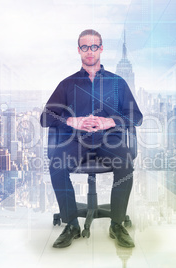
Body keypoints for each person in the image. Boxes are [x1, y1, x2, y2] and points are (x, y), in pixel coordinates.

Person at [40, 29, 142, 248]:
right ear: (79, 50)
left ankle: (117, 225)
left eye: (94, 46)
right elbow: (45, 117)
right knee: (57, 165)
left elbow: (137, 117)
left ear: (101, 49)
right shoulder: (67, 84)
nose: (90, 51)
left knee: (125, 162)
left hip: (110, 141)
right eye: (85, 47)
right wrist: (71, 121)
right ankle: (71, 225)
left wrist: (110, 121)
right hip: (76, 142)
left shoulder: (117, 83)